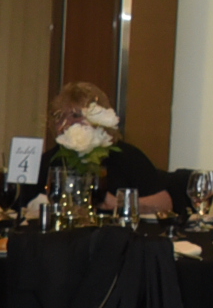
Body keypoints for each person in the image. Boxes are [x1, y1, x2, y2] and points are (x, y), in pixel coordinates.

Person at [44, 81, 173, 215]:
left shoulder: (126, 155)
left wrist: (119, 204)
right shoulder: (50, 160)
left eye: (76, 115)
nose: (66, 123)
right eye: (59, 117)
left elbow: (164, 204)